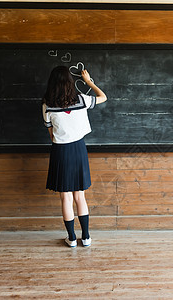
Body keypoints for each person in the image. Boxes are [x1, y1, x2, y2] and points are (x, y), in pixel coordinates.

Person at [42, 66, 107, 248]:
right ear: (71, 82)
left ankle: (71, 239)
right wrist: (88, 82)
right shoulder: (81, 99)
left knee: (66, 197)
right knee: (80, 195)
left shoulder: (47, 104)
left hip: (60, 150)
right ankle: (86, 237)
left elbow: (51, 134)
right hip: (78, 148)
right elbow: (103, 97)